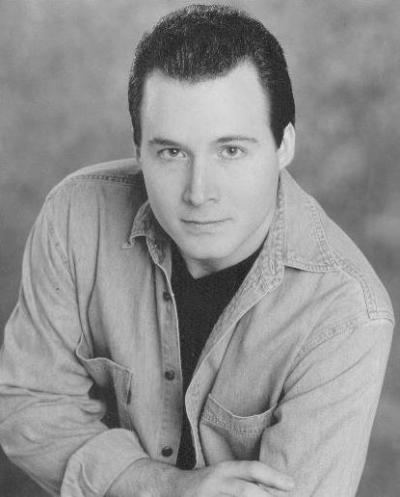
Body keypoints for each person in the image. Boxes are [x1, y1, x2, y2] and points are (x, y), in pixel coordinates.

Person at [0, 4, 394, 497]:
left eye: (231, 150)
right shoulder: (75, 217)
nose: (198, 192)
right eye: (171, 152)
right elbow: (29, 404)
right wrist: (163, 486)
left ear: (284, 146)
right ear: (138, 148)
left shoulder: (347, 312)